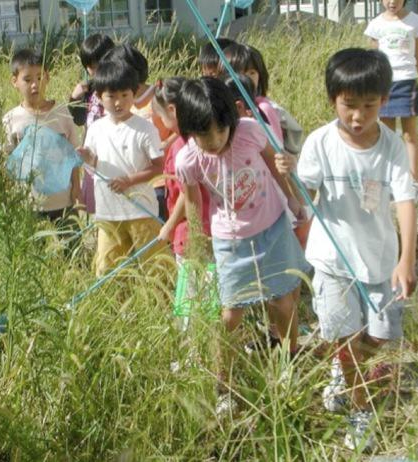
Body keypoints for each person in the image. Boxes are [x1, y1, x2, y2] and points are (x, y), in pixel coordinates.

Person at [291, 48, 417, 452]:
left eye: (369, 105)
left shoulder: (393, 146)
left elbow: (404, 201)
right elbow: (302, 200)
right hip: (332, 262)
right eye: (349, 106)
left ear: (384, 101)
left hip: (380, 263)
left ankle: (342, 368)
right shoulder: (320, 142)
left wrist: (407, 259)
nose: (358, 117)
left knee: (379, 337)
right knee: (347, 342)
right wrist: (285, 174)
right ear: (333, 101)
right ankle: (360, 408)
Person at [174, 77, 309, 416]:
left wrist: (292, 199)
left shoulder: (249, 131)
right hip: (230, 241)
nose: (216, 141)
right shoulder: (189, 160)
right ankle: (226, 384)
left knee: (282, 301)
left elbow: (273, 164)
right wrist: (197, 241)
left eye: (221, 131)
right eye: (205, 135)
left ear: (233, 120)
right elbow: (192, 203)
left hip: (273, 227)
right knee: (230, 314)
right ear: (189, 131)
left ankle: (288, 363)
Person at [76, 61, 169, 277]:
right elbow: (93, 166)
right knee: (107, 270)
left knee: (155, 267)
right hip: (108, 213)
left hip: (141, 210)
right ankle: (117, 308)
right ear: (99, 97)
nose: (118, 102)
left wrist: (129, 180)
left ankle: (163, 306)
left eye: (125, 95)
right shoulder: (96, 128)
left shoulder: (145, 128)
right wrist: (88, 158)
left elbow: (158, 167)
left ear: (134, 93)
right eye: (111, 96)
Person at [153, 77, 214, 324]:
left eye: (159, 115)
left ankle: (195, 349)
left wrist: (169, 225)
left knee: (192, 292)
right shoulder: (193, 139)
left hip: (191, 231)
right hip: (201, 227)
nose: (158, 121)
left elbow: (188, 195)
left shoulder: (183, 148)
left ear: (172, 110)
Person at [2, 49, 82, 221]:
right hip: (29, 203)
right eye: (27, 79)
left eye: (40, 77)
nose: (35, 84)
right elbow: (8, 160)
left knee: (71, 245)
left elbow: (73, 155)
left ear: (48, 77)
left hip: (62, 200)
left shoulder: (62, 112)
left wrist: (76, 186)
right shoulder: (11, 119)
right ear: (14, 81)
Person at [364, 0, 418, 200]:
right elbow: (375, 58)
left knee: (410, 134)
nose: (392, 2)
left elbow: (417, 57)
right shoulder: (376, 25)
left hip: (407, 81)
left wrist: (409, 74)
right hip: (385, 84)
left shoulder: (415, 23)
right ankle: (388, 181)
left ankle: (414, 181)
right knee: (387, 134)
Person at [103, 43, 171, 221]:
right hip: (131, 183)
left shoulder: (157, 96)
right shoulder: (120, 105)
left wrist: (164, 144)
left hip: (160, 179)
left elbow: (179, 130)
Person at [68, 33, 116, 215]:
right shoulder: (89, 91)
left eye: (95, 66)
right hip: (91, 156)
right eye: (88, 66)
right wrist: (74, 98)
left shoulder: (117, 91)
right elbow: (78, 120)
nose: (91, 71)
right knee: (97, 212)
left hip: (111, 156)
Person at [221, 43, 283, 147]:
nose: (247, 78)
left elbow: (277, 146)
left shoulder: (264, 109)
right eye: (239, 73)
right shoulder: (220, 107)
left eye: (252, 72)